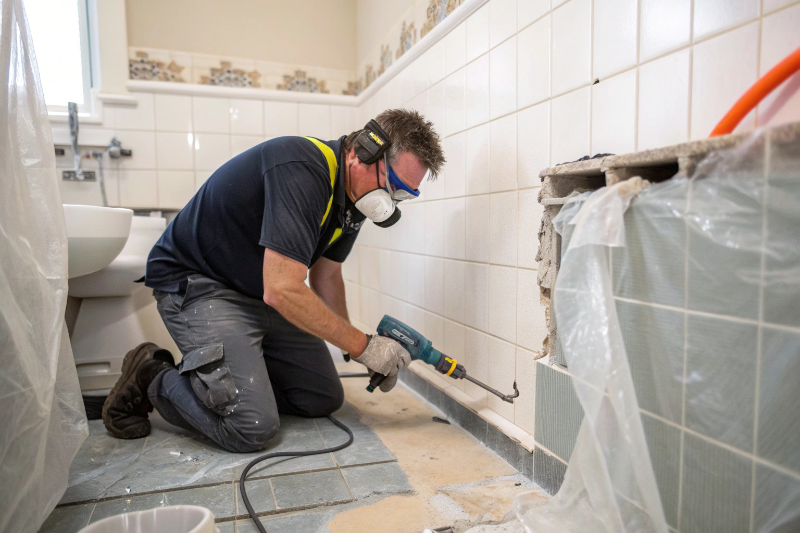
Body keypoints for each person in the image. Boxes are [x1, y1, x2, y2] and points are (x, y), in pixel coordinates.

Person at [101, 109, 446, 453]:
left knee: (321, 397)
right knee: (250, 427)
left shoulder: (355, 199)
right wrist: (364, 346)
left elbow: (327, 274)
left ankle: (240, 377)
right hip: (200, 283)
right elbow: (282, 290)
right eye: (394, 187)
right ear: (363, 151)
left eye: (403, 196)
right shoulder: (303, 170)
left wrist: (352, 348)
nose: (390, 202)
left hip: (257, 291)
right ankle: (153, 376)